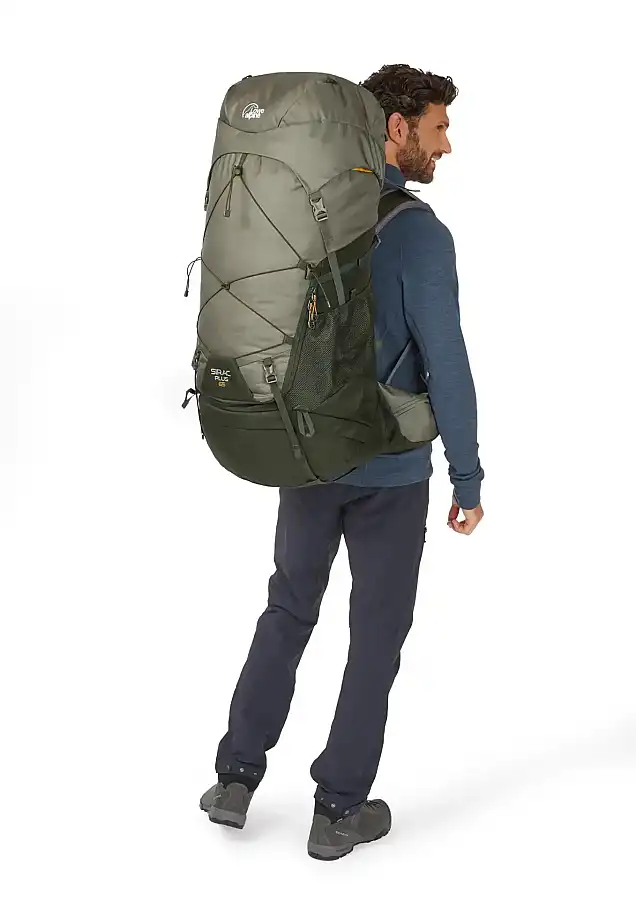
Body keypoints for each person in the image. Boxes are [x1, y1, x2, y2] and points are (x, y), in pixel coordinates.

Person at [199, 63, 485, 861]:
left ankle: (235, 777)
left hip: (307, 453)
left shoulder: (314, 214)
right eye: (437, 127)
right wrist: (467, 475)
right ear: (395, 128)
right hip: (389, 471)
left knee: (288, 610)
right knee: (375, 637)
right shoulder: (419, 233)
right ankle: (339, 809)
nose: (446, 144)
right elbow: (447, 362)